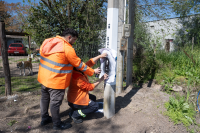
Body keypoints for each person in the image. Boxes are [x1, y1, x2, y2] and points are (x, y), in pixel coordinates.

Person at [37, 28, 101, 130]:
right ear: (69, 37)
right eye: (74, 40)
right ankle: (57, 124)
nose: (74, 42)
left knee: (44, 99)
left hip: (43, 78)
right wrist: (93, 72)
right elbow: (80, 65)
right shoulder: (67, 48)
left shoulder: (48, 41)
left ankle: (44, 118)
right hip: (56, 81)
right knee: (55, 103)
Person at [67, 53, 108, 124]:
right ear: (76, 66)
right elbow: (90, 87)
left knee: (93, 98)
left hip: (76, 97)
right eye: (80, 64)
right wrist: (101, 79)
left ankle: (75, 108)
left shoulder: (80, 69)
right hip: (75, 101)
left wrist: (99, 56)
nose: (83, 65)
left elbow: (90, 62)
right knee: (95, 106)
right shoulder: (76, 77)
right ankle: (75, 114)